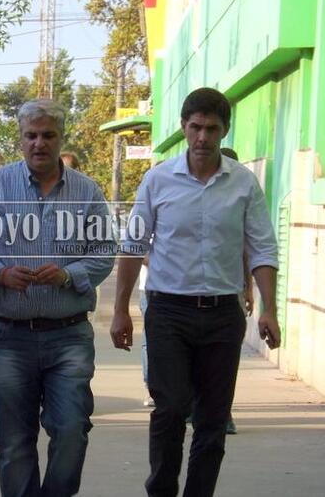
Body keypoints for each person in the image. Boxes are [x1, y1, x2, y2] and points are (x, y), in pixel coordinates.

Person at [110, 87, 280, 497]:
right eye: (196, 127)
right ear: (184, 127)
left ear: (224, 132)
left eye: (212, 129)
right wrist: (120, 310)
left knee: (213, 419)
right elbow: (133, 246)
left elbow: (262, 246)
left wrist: (269, 309)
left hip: (222, 316)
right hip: (169, 312)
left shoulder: (243, 184)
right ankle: (162, 490)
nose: (203, 137)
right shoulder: (158, 179)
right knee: (169, 410)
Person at [0, 99, 116, 497]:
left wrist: (70, 274)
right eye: (31, 135)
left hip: (68, 337)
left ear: (60, 138)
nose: (39, 143)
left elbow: (105, 251)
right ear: (20, 140)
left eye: (48, 135)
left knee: (72, 431)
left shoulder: (86, 191)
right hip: (7, 336)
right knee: (14, 444)